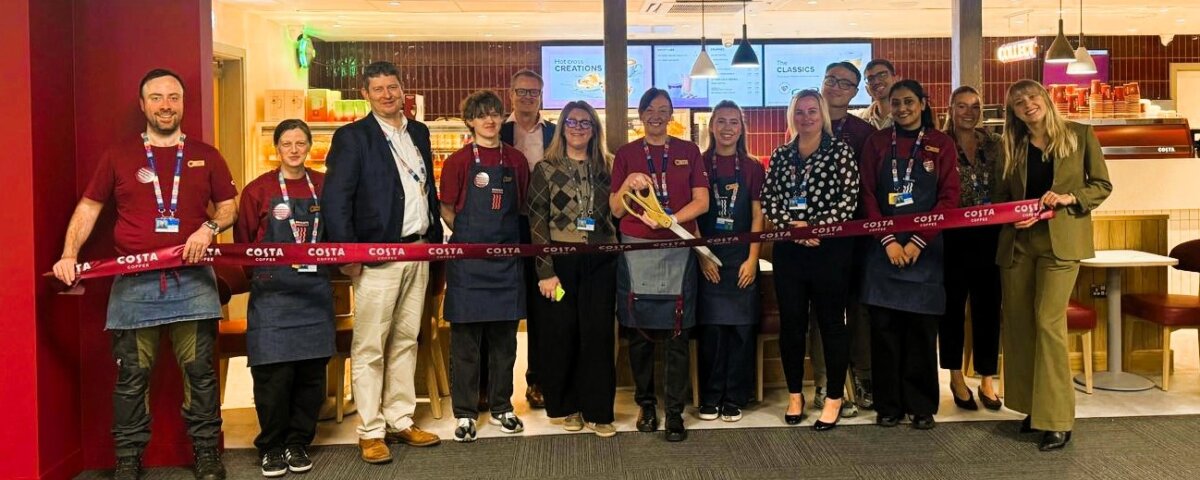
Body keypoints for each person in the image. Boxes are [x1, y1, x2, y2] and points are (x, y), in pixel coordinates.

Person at [51, 68, 235, 480]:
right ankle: (128, 459)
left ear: (183, 103)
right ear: (142, 104)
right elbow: (88, 208)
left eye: (173, 97)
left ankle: (207, 454)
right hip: (134, 287)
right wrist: (68, 254)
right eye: (156, 97)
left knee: (201, 374)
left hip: (193, 282)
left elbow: (229, 207)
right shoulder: (118, 155)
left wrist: (209, 228)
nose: (166, 105)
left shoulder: (208, 154)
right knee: (131, 378)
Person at [322, 61, 444, 464]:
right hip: (375, 257)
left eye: (393, 87)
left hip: (419, 250)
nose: (388, 95)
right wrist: (348, 254)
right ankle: (371, 429)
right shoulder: (353, 138)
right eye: (378, 89)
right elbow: (336, 200)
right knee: (371, 345)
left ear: (403, 89)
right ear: (366, 95)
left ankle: (400, 417)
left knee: (407, 340)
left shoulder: (419, 133)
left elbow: (425, 189)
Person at [994, 79, 1112, 451]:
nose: (1027, 105)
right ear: (1012, 112)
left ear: (1045, 99)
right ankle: (1033, 409)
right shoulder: (1010, 146)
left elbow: (1101, 186)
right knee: (1020, 324)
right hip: (1019, 245)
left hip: (1062, 244)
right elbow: (1002, 199)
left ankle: (1058, 419)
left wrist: (1069, 197)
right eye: (1018, 103)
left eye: (1032, 97)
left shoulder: (1079, 135)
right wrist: (1014, 216)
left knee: (1048, 323)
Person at [234, 120, 333, 478]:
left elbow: (336, 236)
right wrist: (261, 276)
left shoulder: (324, 186)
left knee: (310, 375)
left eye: (300, 143)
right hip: (273, 297)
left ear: (309, 146)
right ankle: (272, 446)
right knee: (273, 377)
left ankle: (298, 442)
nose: (294, 149)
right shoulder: (257, 191)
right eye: (287, 143)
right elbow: (243, 242)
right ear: (277, 148)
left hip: (314, 295)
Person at [859, 79, 960, 430]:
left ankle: (920, 406)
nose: (901, 108)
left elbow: (949, 199)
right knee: (884, 334)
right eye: (895, 102)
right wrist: (888, 239)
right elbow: (868, 196)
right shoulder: (876, 143)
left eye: (908, 101)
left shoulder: (940, 144)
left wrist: (917, 241)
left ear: (923, 103)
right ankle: (888, 406)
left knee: (920, 334)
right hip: (882, 252)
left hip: (926, 253)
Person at [610, 88, 709, 442]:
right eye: (650, 109)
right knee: (639, 333)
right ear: (640, 114)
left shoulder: (688, 151)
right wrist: (626, 185)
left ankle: (676, 412)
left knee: (677, 334)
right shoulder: (626, 154)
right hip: (636, 250)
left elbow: (702, 201)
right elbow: (616, 209)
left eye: (663, 110)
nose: (656, 115)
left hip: (677, 247)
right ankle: (646, 404)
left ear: (671, 116)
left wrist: (670, 221)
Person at [761, 90, 860, 431]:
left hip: (830, 251)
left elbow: (850, 201)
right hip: (790, 251)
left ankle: (833, 396)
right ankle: (794, 394)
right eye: (799, 112)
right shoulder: (781, 155)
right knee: (792, 325)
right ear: (792, 117)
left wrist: (814, 227)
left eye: (812, 111)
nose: (806, 117)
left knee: (832, 324)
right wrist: (793, 227)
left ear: (822, 115)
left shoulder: (840, 152)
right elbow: (768, 199)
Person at [439, 90, 531, 443]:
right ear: (470, 121)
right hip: (468, 265)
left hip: (506, 263)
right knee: (465, 344)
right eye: (482, 115)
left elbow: (520, 206)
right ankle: (464, 413)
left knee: (504, 343)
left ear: (502, 117)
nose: (490, 120)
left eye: (495, 113)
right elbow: (447, 209)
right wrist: (468, 237)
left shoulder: (517, 161)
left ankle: (501, 407)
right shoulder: (459, 161)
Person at [527, 100, 619, 437]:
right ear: (562, 127)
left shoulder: (608, 167)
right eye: (572, 122)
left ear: (595, 130)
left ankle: (599, 411)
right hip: (560, 264)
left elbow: (619, 215)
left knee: (597, 335)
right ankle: (569, 408)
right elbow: (537, 221)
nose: (578, 128)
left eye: (585, 123)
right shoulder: (545, 169)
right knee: (563, 334)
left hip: (601, 261)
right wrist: (544, 270)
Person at [807, 61, 879, 417]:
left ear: (855, 92)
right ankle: (825, 381)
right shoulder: (803, 123)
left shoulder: (864, 133)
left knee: (860, 310)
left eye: (845, 83)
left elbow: (870, 187)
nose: (835, 86)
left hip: (857, 239)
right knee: (823, 313)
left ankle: (863, 377)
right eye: (830, 79)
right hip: (817, 242)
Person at [694, 100, 765, 424]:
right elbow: (692, 214)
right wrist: (702, 256)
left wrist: (753, 260)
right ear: (711, 126)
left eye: (733, 122)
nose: (726, 127)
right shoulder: (698, 162)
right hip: (709, 259)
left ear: (741, 127)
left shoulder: (752, 166)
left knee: (740, 332)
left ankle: (735, 397)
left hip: (741, 259)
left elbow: (756, 215)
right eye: (720, 121)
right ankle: (710, 397)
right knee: (711, 332)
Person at [939, 86, 1005, 412]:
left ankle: (988, 378)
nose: (969, 111)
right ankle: (955, 376)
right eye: (962, 106)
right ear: (950, 109)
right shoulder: (937, 143)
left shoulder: (995, 143)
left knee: (988, 308)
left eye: (975, 106)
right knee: (952, 310)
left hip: (990, 237)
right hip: (951, 239)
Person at [496, 68, 557, 409]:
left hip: (543, 229)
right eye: (521, 91)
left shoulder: (554, 133)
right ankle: (496, 388)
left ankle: (538, 381)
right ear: (511, 93)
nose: (527, 98)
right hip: (507, 226)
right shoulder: (498, 130)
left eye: (534, 92)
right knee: (505, 307)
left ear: (542, 96)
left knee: (543, 307)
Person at [852, 59, 898, 130]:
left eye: (882, 75)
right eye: (870, 79)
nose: (876, 82)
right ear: (867, 89)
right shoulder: (860, 120)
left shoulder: (911, 116)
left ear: (896, 80)